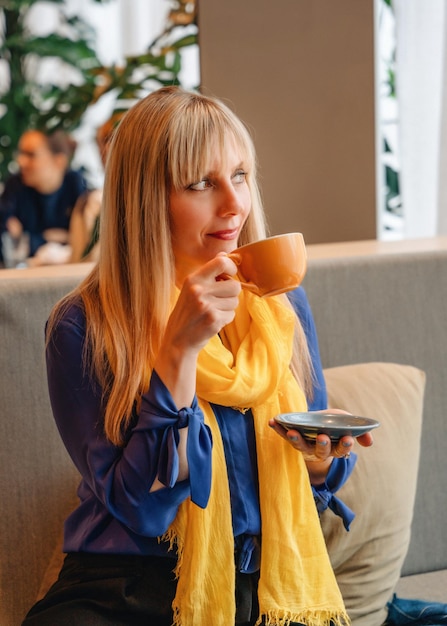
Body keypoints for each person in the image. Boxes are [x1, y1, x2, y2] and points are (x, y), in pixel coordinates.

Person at [22, 86, 373, 626]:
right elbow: (144, 507)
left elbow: (301, 478)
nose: (233, 204)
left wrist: (322, 456)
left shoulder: (277, 305)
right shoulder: (83, 326)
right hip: (126, 592)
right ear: (144, 199)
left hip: (260, 590)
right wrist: (179, 351)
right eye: (201, 183)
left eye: (240, 175)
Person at [0, 129, 86, 264]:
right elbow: (5, 239)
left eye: (31, 155)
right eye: (21, 153)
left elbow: (86, 241)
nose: (21, 161)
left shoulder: (75, 184)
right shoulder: (15, 185)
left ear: (59, 161)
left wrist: (28, 237)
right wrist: (55, 238)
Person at [68, 111, 125, 264]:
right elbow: (79, 260)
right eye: (103, 141)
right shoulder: (89, 200)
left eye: (113, 138)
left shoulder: (96, 201)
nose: (107, 148)